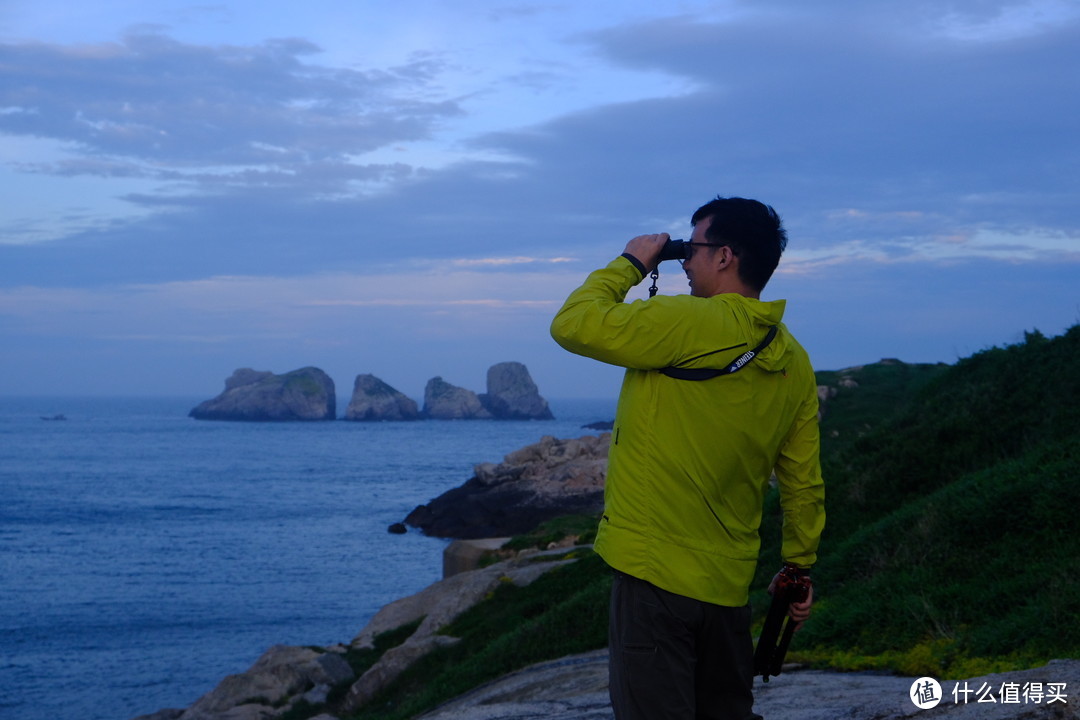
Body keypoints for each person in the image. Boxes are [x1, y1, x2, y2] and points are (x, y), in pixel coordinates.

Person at [550, 196, 825, 720]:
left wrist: (631, 264)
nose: (684, 260)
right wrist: (799, 566)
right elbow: (802, 481)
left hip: (653, 579)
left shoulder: (683, 321)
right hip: (727, 590)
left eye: (692, 248)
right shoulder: (793, 360)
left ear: (724, 256)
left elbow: (573, 323)